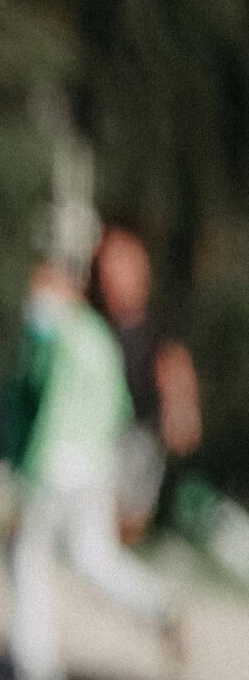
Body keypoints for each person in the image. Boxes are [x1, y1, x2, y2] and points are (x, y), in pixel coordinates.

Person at [8, 260, 180, 680]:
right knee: (93, 555)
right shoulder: (101, 339)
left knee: (28, 559)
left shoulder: (57, 337)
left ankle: (36, 669)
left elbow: (43, 406)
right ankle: (157, 604)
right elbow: (119, 411)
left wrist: (27, 474)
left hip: (55, 463)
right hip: (95, 466)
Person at [92, 227, 202, 542]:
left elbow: (184, 423)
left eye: (119, 264)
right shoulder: (94, 324)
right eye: (105, 264)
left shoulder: (160, 340)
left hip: (133, 449)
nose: (109, 274)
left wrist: (180, 411)